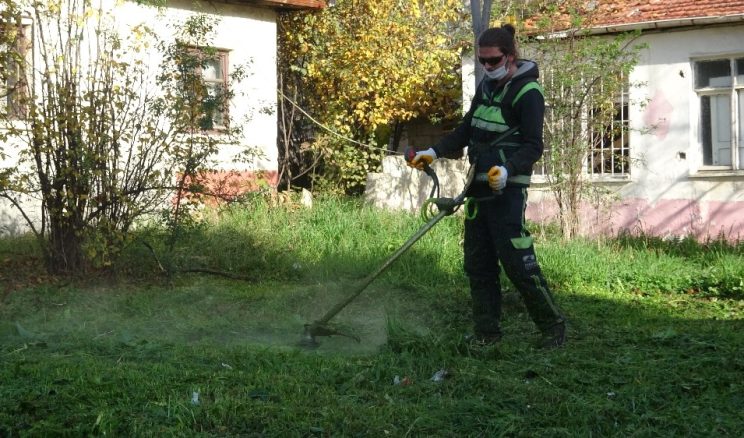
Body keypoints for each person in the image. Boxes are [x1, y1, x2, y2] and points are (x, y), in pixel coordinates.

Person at [407, 24, 566, 348]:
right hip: (478, 186)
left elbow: (534, 147)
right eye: (482, 61)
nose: (487, 67)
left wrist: (507, 170)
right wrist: (433, 152)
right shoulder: (486, 87)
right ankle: (487, 333)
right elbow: (467, 129)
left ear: (510, 56)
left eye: (493, 61)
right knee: (477, 263)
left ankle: (553, 328)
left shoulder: (529, 94)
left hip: (507, 190)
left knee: (517, 262)